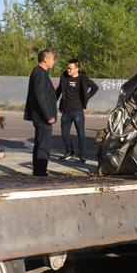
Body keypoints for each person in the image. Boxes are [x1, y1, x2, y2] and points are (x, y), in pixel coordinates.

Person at [56, 59, 99, 163]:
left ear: (76, 69)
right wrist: (53, 101)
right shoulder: (64, 77)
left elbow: (95, 88)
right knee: (64, 133)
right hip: (66, 111)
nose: (68, 70)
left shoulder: (83, 78)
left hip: (78, 111)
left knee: (81, 133)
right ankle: (69, 152)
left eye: (70, 68)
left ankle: (82, 155)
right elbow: (58, 90)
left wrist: (86, 98)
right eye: (67, 67)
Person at [24, 49, 58, 177]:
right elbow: (40, 96)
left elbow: (46, 94)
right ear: (45, 59)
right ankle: (40, 172)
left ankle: (38, 170)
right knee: (44, 145)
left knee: (40, 143)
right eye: (52, 59)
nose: (53, 62)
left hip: (42, 116)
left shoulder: (41, 73)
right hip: (42, 117)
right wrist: (48, 115)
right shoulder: (39, 73)